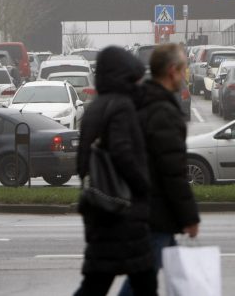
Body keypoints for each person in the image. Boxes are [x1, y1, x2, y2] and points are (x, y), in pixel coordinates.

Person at [118, 44, 200, 296]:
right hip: (154, 214)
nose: (186, 74)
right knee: (140, 281)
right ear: (173, 71)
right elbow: (173, 172)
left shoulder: (141, 102)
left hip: (139, 207)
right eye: (184, 68)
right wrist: (189, 217)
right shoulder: (162, 112)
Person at [74, 46, 156, 296]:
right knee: (143, 282)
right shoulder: (122, 106)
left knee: (98, 281)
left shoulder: (95, 108)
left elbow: (82, 161)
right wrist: (143, 186)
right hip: (123, 210)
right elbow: (122, 153)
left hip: (100, 207)